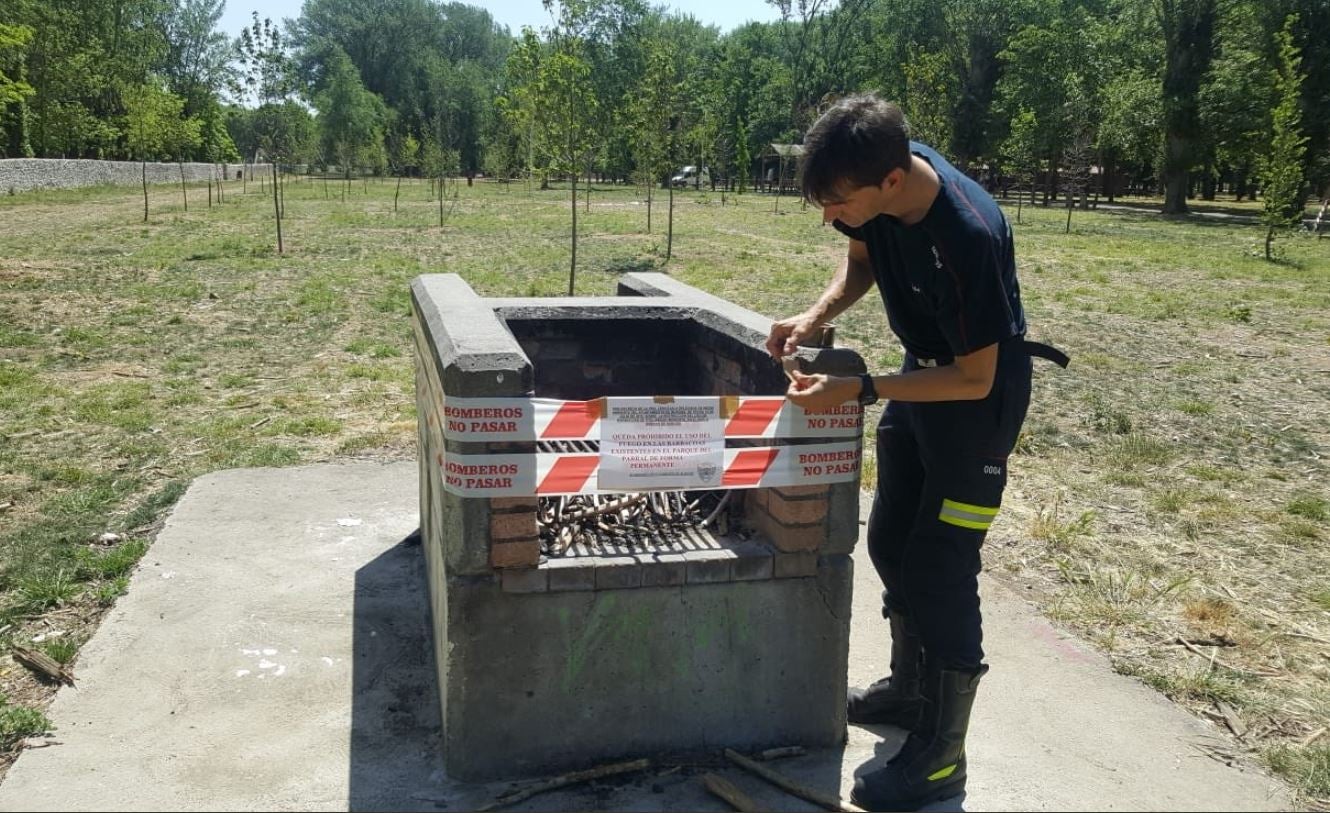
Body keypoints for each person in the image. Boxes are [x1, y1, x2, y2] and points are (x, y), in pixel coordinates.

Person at [767, 93, 1066, 811]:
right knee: (891, 538)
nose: (830, 214)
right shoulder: (879, 189)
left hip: (975, 401)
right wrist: (812, 318)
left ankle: (942, 756)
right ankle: (908, 691)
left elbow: (976, 375)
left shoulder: (968, 232)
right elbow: (861, 263)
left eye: (839, 200)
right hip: (920, 373)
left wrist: (862, 388)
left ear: (892, 183)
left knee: (941, 566)